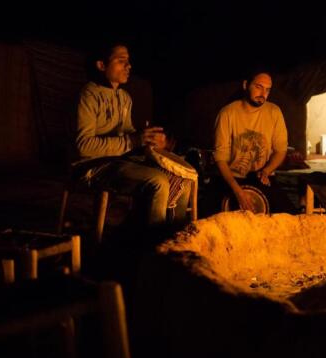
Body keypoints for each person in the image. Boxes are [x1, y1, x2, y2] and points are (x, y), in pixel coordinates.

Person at [73, 41, 191, 238]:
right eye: (121, 61)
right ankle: (151, 248)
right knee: (158, 181)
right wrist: (134, 141)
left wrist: (151, 142)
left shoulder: (125, 97)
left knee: (180, 178)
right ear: (101, 65)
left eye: (128, 62)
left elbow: (130, 138)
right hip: (92, 167)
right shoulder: (88, 95)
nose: (129, 66)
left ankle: (172, 240)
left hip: (119, 162)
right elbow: (84, 146)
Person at [213, 70, 295, 213]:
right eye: (258, 87)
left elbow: (281, 150)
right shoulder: (227, 113)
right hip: (231, 178)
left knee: (289, 215)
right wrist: (237, 191)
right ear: (246, 85)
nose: (263, 94)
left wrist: (267, 170)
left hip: (262, 176)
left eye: (267, 90)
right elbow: (220, 158)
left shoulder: (274, 112)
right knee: (208, 220)